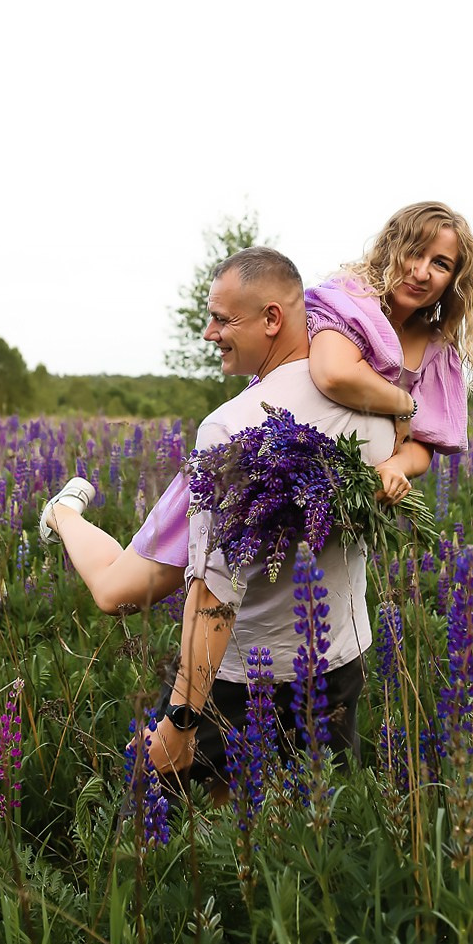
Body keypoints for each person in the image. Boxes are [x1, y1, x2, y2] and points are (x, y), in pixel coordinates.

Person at [39, 201, 473, 616]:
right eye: (415, 253)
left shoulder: (437, 353)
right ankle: (63, 512)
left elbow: (426, 444)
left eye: (440, 264)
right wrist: (404, 406)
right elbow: (333, 374)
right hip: (245, 462)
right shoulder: (351, 301)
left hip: (305, 493)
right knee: (120, 595)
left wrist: (397, 465)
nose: (422, 272)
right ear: (393, 249)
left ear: (454, 279)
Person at [134, 246, 398, 786]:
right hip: (338, 664)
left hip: (240, 678)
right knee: (317, 837)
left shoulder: (228, 429)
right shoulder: (378, 414)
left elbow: (213, 593)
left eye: (220, 318)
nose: (209, 332)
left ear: (272, 318)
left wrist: (181, 723)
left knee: (160, 822)